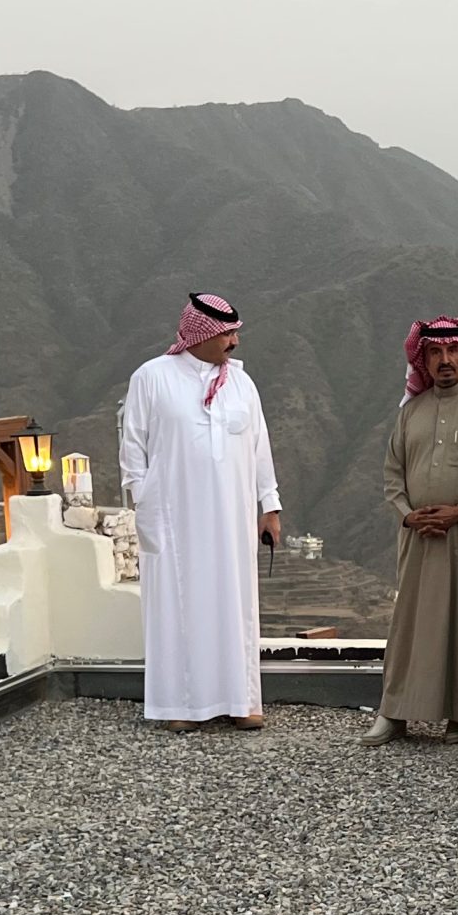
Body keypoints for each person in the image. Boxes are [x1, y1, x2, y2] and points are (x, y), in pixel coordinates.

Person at [119, 292, 285, 730]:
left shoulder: (242, 384)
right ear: (202, 333)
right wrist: (145, 500)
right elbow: (132, 446)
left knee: (236, 601)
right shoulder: (152, 377)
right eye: (227, 334)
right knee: (178, 601)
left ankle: (242, 700)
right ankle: (181, 705)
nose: (234, 342)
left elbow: (259, 446)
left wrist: (269, 506)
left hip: (231, 516)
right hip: (174, 515)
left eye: (234, 332)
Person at [368, 316, 458, 745]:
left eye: (453, 351)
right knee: (412, 623)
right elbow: (392, 474)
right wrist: (407, 514)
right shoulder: (411, 411)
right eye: (435, 352)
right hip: (419, 536)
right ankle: (395, 713)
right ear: (424, 359)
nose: (445, 360)